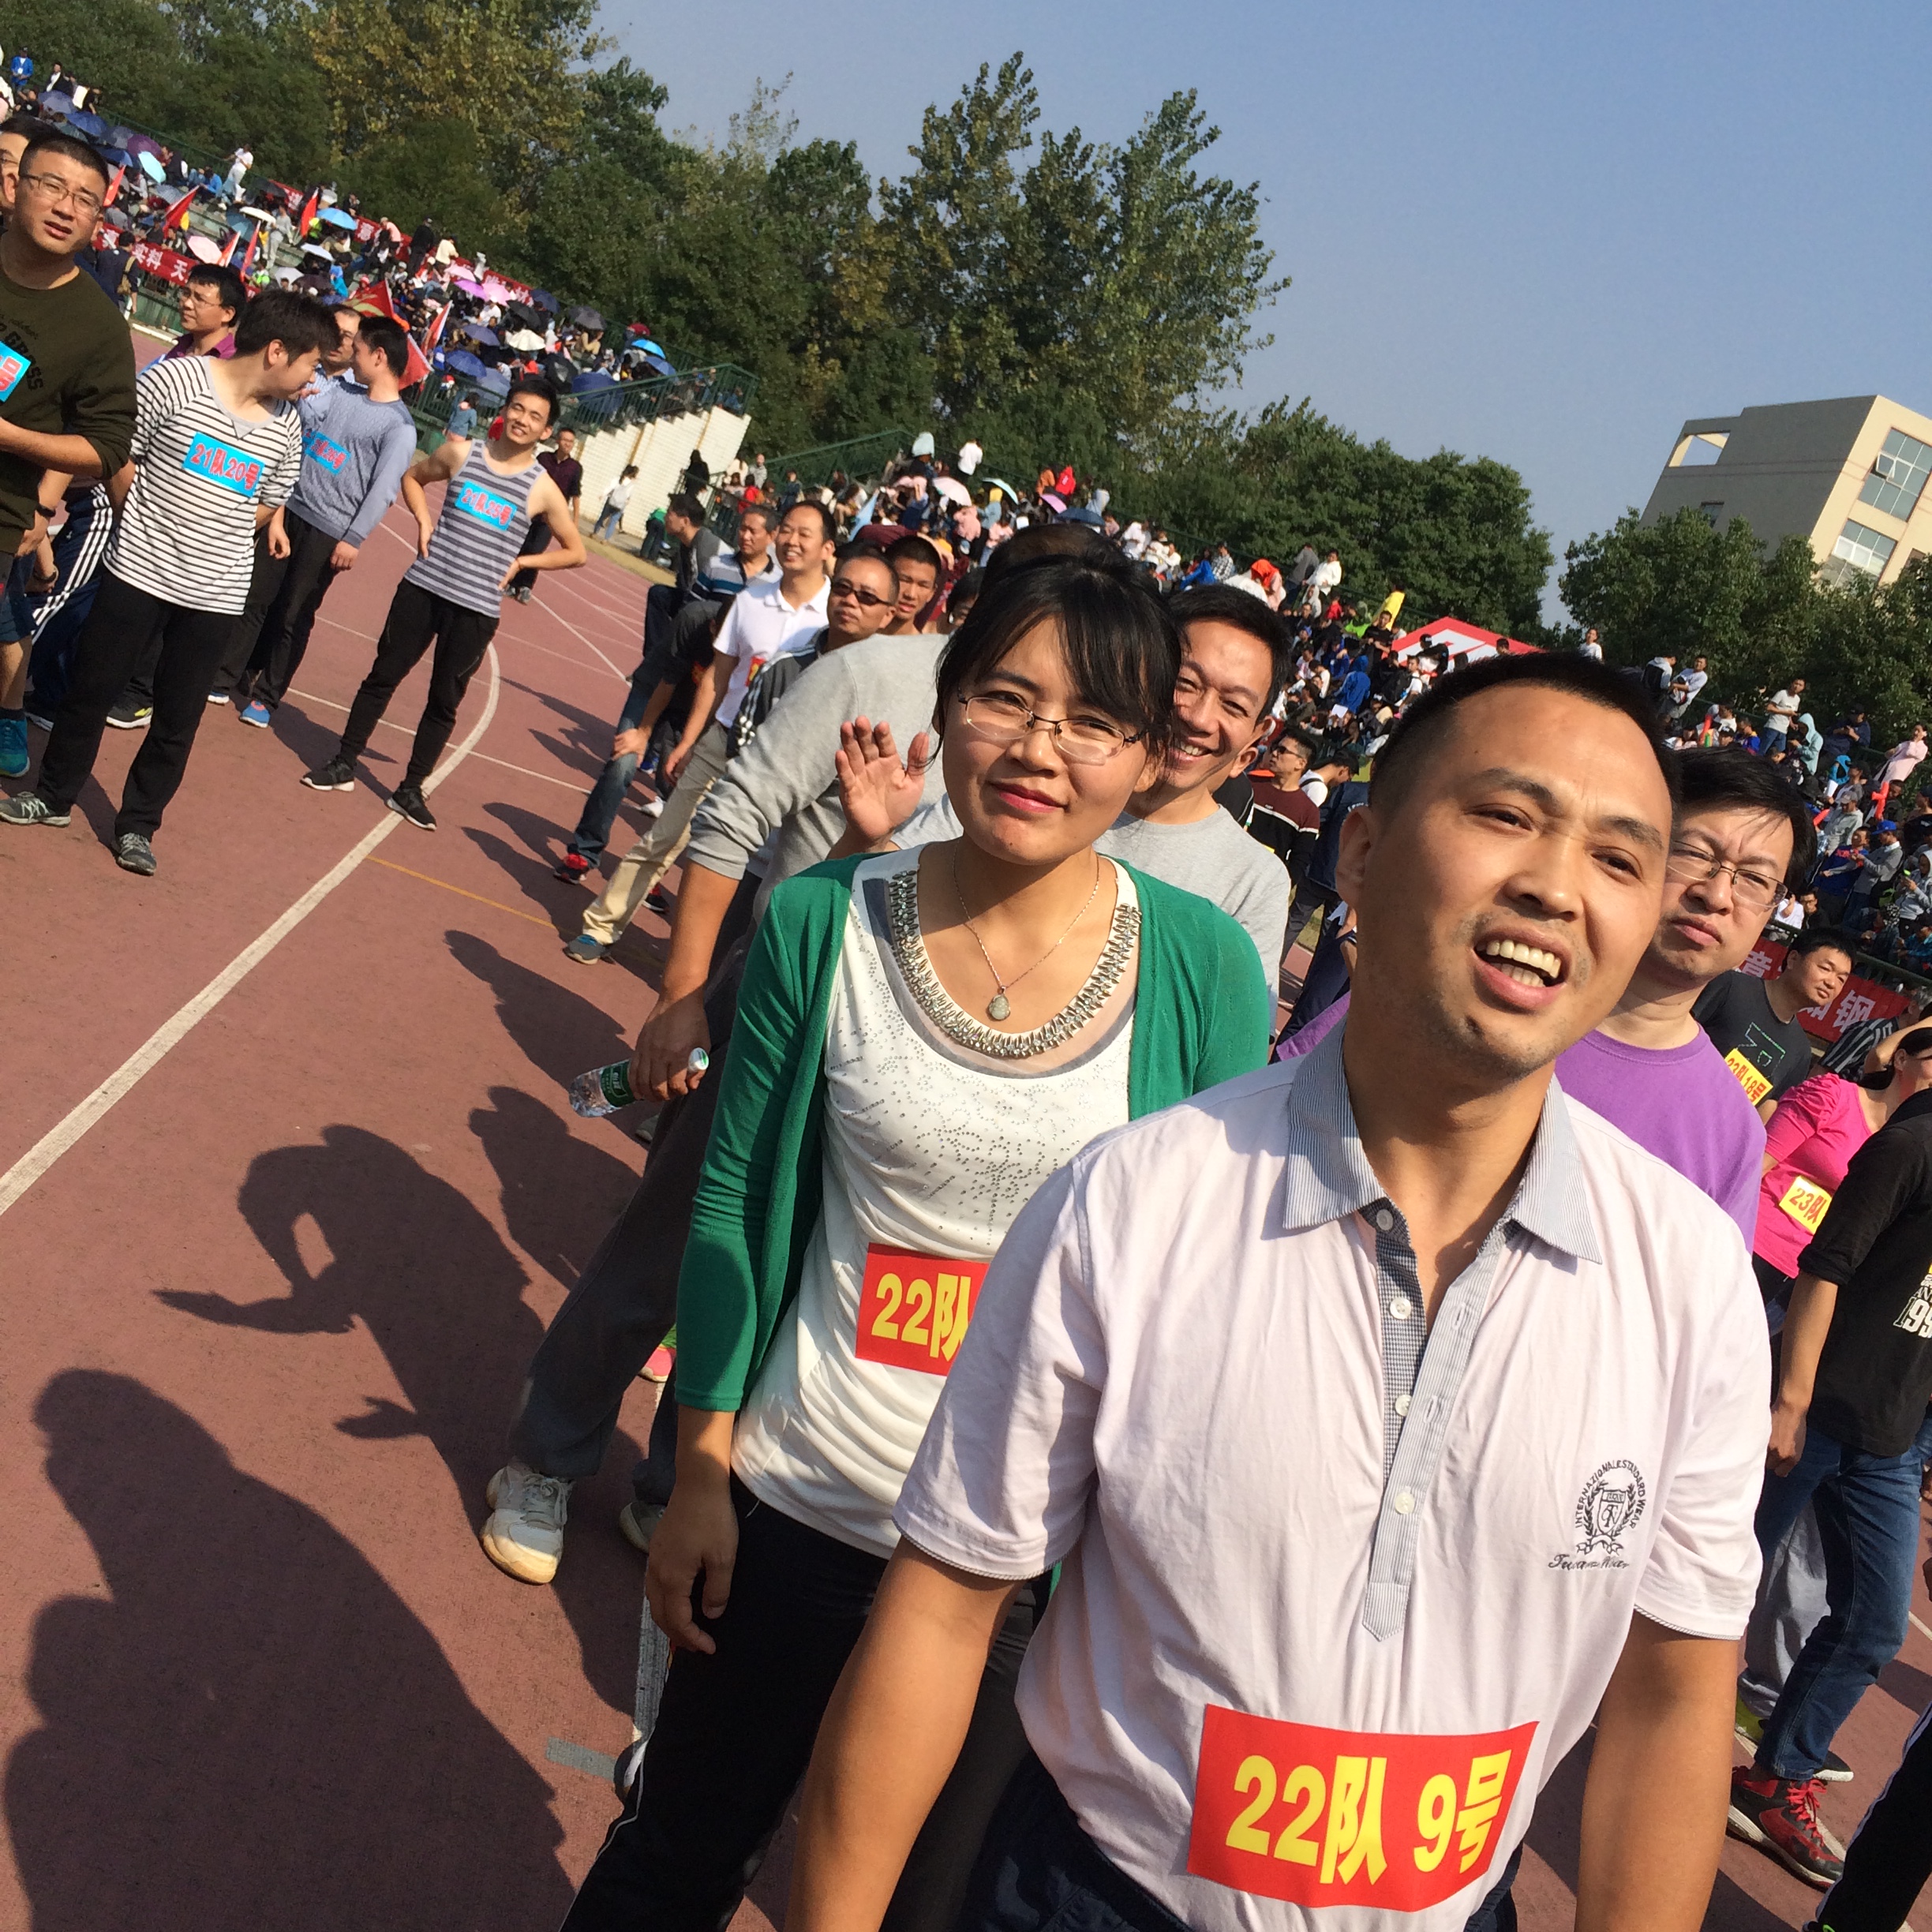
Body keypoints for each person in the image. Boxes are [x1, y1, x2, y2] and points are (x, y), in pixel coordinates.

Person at [788, 650, 1769, 1932]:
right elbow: (943, 1606)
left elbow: (1673, 1694)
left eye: (1619, 857)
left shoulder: (1689, 1276)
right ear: (1359, 853)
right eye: (1504, 815)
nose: (1554, 884)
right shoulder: (1133, 1199)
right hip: (1096, 1898)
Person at [555, 551, 1271, 1932]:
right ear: (948, 705)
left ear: (1144, 757)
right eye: (1007, 698)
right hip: (801, 1498)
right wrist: (700, 1470)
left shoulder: (1202, 966)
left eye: (1093, 723)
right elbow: (732, 1200)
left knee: (915, 1909)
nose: (1040, 749)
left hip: (1023, 1568)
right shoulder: (822, 918)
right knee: (677, 1858)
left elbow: (1217, 1276)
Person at [1, 288, 331, 872]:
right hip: (137, 571)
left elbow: (266, 502)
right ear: (277, 351)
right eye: (313, 363)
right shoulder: (176, 381)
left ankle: (137, 826)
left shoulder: (287, 428)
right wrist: (141, 516)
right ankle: (53, 796)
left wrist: (216, 535)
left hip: (215, 596)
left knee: (177, 719)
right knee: (90, 691)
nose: (315, 378)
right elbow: (117, 452)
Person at [1728, 1059, 1932, 1887]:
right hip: (1813, 1412)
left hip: (1890, 1443)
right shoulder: (1911, 1147)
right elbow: (1826, 1267)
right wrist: (1791, 1400)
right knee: (1713, 1572)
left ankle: (1776, 1779)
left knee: (1875, 1624)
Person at [298, 377, 584, 830]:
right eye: (517, 408)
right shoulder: (461, 453)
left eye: (535, 417)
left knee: (444, 702)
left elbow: (576, 551)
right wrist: (424, 520)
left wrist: (522, 563)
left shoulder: (543, 488)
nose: (523, 420)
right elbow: (413, 478)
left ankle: (410, 789)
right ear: (504, 410)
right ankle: (344, 762)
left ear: (547, 431)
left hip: (475, 610)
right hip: (424, 587)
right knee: (383, 676)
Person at [561, 499, 833, 960]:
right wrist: (689, 741)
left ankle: (720, 966)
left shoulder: (835, 614)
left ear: (827, 548)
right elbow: (716, 678)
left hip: (787, 759)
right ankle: (601, 927)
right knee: (664, 837)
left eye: (804, 533)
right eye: (786, 530)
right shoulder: (751, 601)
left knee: (764, 869)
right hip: (724, 742)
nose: (791, 540)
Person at [0, 129, 137, 782]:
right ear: (15, 187)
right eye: (52, 186)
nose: (66, 207)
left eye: (85, 199)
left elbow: (106, 447)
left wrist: (8, 437)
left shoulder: (99, 326)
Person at [215, 312, 417, 724]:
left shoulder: (399, 427)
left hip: (328, 530)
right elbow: (306, 419)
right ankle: (225, 675)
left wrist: (353, 539)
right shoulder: (342, 392)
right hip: (288, 509)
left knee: (293, 613)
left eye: (358, 350)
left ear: (379, 357)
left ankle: (267, 696)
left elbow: (383, 490)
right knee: (257, 595)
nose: (351, 355)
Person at [1694, 926, 1857, 1118]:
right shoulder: (1731, 987)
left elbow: (1767, 1111)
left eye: (1841, 979)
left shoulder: (1800, 1051)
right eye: (1825, 969)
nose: (1831, 983)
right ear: (1793, 959)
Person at [506, 425, 582, 601]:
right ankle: (512, 583)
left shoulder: (575, 468)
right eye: (565, 440)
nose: (568, 444)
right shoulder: (544, 458)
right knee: (522, 546)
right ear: (557, 441)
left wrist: (575, 521)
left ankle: (525, 586)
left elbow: (575, 495)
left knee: (537, 550)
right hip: (532, 510)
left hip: (551, 517)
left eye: (571, 442)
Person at [1870, 724, 1926, 818]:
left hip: (1895, 777)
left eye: (1919, 731)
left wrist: (1915, 742)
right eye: (1915, 730)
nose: (1915, 733)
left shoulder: (1923, 748)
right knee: (1874, 790)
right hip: (1886, 771)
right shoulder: (1906, 743)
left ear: (1924, 733)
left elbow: (1910, 752)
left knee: (1884, 796)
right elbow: (1891, 753)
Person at [592, 463, 635, 542]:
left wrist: (603, 495)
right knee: (613, 522)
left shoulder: (618, 479)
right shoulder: (631, 485)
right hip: (620, 506)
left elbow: (610, 488)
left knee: (602, 517)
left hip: (611, 502)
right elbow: (628, 496)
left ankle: (595, 533)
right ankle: (606, 539)